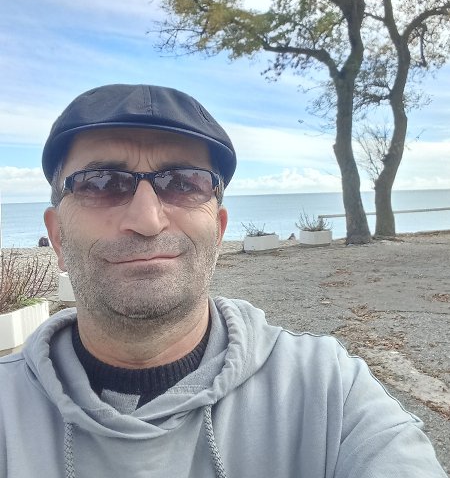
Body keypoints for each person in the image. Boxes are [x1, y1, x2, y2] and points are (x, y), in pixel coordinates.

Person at [0, 83, 446, 478]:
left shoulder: (328, 390)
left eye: (182, 182)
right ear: (57, 237)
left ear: (218, 231)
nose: (147, 219)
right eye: (101, 183)